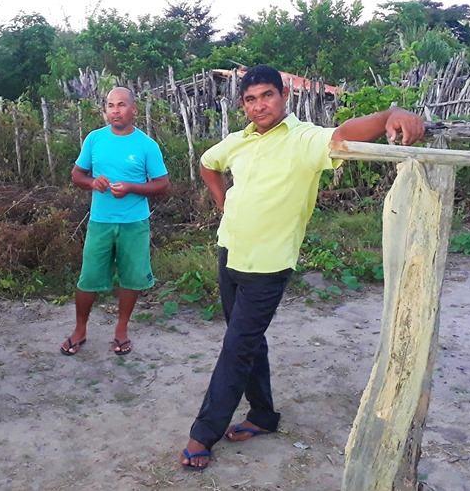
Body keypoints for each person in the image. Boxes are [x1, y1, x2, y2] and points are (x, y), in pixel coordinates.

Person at [179, 65, 426, 470]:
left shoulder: (304, 139)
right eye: (251, 99)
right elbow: (208, 163)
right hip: (230, 253)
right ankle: (263, 415)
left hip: (269, 264)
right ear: (243, 104)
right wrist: (224, 202)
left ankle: (203, 434)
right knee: (248, 341)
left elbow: (344, 134)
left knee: (237, 347)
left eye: (267, 96)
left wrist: (387, 117)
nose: (259, 105)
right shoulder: (238, 141)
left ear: (283, 96)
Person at [60, 87, 170, 357]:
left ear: (133, 109)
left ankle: (121, 330)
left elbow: (162, 184)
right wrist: (91, 182)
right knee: (88, 278)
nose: (115, 111)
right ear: (105, 110)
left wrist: (132, 187)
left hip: (134, 223)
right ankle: (80, 330)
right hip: (100, 222)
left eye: (121, 105)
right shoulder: (95, 139)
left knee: (131, 279)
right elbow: (77, 176)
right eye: (110, 105)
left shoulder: (146, 145)